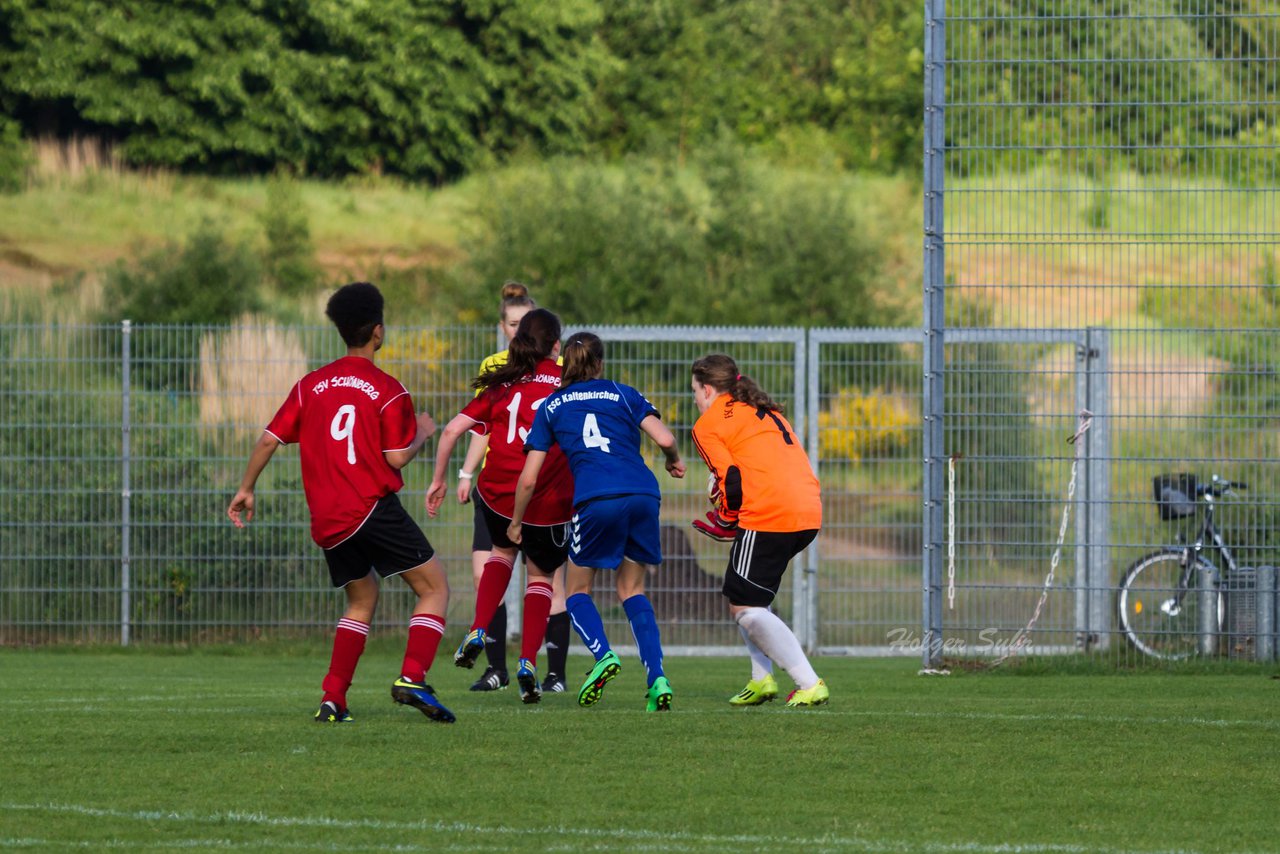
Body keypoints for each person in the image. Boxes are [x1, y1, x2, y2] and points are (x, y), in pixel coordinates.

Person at [226, 282, 455, 724]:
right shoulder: (388, 389)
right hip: (371, 506)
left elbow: (269, 439)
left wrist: (246, 487)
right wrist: (424, 433)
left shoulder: (309, 385)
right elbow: (396, 457)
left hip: (329, 518)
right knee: (434, 588)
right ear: (378, 333)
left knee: (361, 597)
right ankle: (412, 676)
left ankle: (333, 698)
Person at [508, 331, 686, 712]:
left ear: (564, 366)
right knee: (633, 590)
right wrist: (672, 459)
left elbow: (528, 477)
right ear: (601, 364)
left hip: (596, 499)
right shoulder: (622, 393)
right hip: (642, 494)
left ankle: (603, 655)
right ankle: (657, 678)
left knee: (576, 591)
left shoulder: (553, 405)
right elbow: (666, 437)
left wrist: (516, 521)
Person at [426, 308, 573, 704]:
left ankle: (477, 627)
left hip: (496, 494)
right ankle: (527, 661)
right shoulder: (566, 382)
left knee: (501, 553)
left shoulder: (502, 381)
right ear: (556, 345)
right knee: (541, 578)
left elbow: (454, 430)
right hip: (546, 500)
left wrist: (441, 479)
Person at [689, 353, 828, 708]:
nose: (694, 399)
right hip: (808, 510)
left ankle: (808, 682)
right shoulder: (764, 409)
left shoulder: (707, 425)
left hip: (769, 512)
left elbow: (731, 479)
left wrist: (725, 516)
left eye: (694, 391)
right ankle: (760, 678)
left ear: (707, 389)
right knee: (751, 598)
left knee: (744, 608)